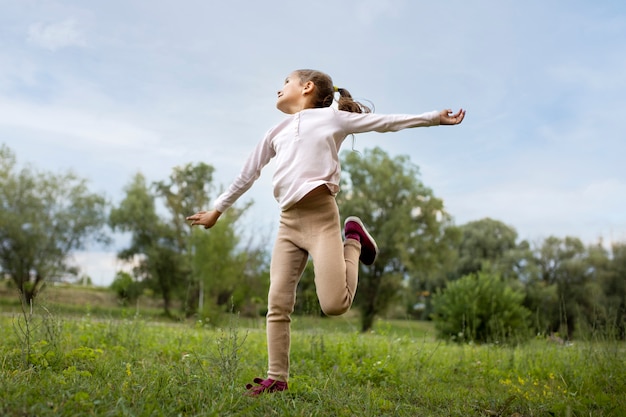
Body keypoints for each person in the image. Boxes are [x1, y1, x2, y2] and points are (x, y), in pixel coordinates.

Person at [186, 69, 465, 396]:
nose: (279, 89)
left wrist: (433, 117)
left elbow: (386, 122)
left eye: (285, 83)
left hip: (321, 220)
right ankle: (277, 377)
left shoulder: (332, 119)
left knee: (335, 305)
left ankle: (354, 239)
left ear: (306, 87)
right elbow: (248, 173)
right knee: (277, 302)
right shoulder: (274, 131)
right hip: (288, 224)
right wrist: (217, 210)